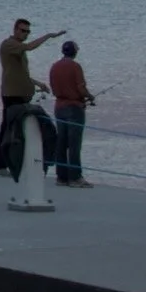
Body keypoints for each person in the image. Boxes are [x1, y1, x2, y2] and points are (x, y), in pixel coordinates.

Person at [0, 18, 67, 170]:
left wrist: (37, 83)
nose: (25, 34)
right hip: (11, 95)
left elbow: (21, 73)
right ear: (15, 29)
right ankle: (1, 166)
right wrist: (48, 36)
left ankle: (15, 164)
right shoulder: (10, 44)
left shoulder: (18, 48)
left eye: (28, 32)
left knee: (19, 130)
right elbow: (29, 47)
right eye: (23, 30)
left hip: (22, 95)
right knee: (8, 130)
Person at [49, 40, 96, 186]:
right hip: (74, 108)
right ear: (75, 52)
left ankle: (61, 177)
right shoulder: (75, 67)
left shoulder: (54, 67)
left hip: (59, 107)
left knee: (61, 143)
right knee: (74, 144)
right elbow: (80, 88)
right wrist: (90, 96)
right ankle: (75, 177)